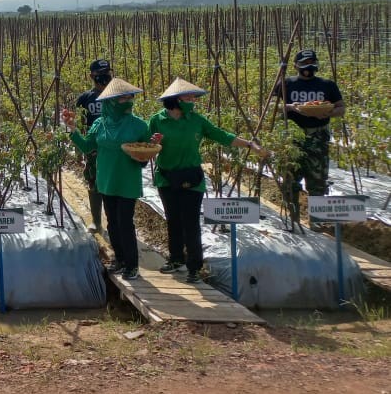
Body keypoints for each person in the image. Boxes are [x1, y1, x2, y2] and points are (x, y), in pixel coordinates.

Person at [149, 78, 268, 283]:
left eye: (193, 97)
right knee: (173, 220)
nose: (192, 100)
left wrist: (249, 144)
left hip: (192, 178)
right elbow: (147, 145)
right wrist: (152, 143)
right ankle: (176, 259)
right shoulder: (157, 120)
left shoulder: (197, 120)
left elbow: (221, 135)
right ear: (175, 99)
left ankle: (194, 267)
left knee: (191, 223)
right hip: (167, 178)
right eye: (188, 97)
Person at [62, 77, 151, 279]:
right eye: (122, 98)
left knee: (125, 222)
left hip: (128, 180)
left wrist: (143, 156)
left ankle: (132, 265)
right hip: (106, 180)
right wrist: (72, 129)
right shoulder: (100, 125)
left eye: (130, 98)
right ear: (110, 101)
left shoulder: (139, 126)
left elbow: (145, 154)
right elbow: (87, 146)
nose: (128, 102)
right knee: (112, 222)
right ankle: (119, 259)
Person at [272, 48, 345, 230]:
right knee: (290, 179)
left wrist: (328, 112)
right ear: (296, 65)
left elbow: (341, 108)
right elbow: (272, 107)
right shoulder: (285, 83)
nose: (308, 66)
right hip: (292, 138)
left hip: (318, 136)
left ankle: (317, 222)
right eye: (304, 63)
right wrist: (291, 107)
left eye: (312, 62)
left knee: (318, 181)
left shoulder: (327, 85)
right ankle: (292, 221)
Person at [74, 59, 112, 233]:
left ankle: (114, 223)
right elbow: (79, 124)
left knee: (112, 183)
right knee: (94, 181)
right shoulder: (85, 98)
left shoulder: (117, 95)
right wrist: (78, 149)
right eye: (100, 75)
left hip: (114, 147)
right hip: (94, 148)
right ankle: (97, 221)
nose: (105, 78)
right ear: (92, 76)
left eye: (107, 74)